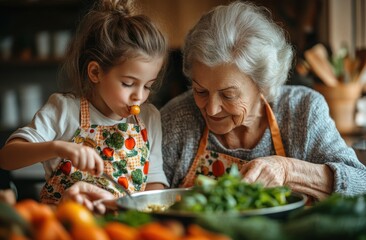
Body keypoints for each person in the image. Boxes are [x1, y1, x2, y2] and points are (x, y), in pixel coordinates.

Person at [160, 1, 366, 201]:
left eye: (228, 95)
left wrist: (288, 171)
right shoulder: (178, 118)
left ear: (263, 86)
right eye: (201, 91)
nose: (212, 109)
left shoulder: (302, 111)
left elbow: (361, 184)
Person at [0, 0, 169, 210]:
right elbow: (7, 158)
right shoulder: (64, 110)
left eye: (148, 86)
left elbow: (154, 182)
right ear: (95, 72)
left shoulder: (149, 117)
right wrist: (59, 148)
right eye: (128, 84)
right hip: (68, 224)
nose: (139, 97)